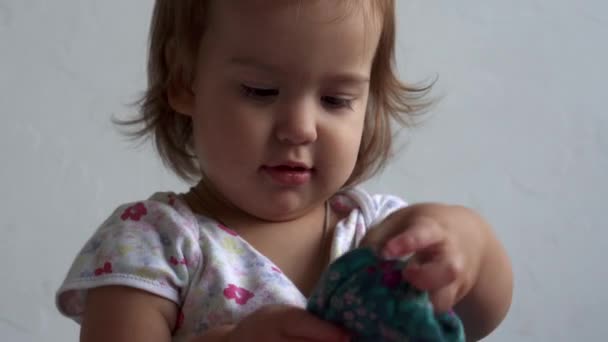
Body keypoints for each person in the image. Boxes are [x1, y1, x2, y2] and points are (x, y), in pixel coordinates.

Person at [56, 1, 513, 341]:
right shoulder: (151, 245)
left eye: (336, 100)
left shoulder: (381, 235)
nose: (299, 129)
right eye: (260, 91)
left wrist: (468, 241)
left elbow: (482, 313)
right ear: (184, 81)